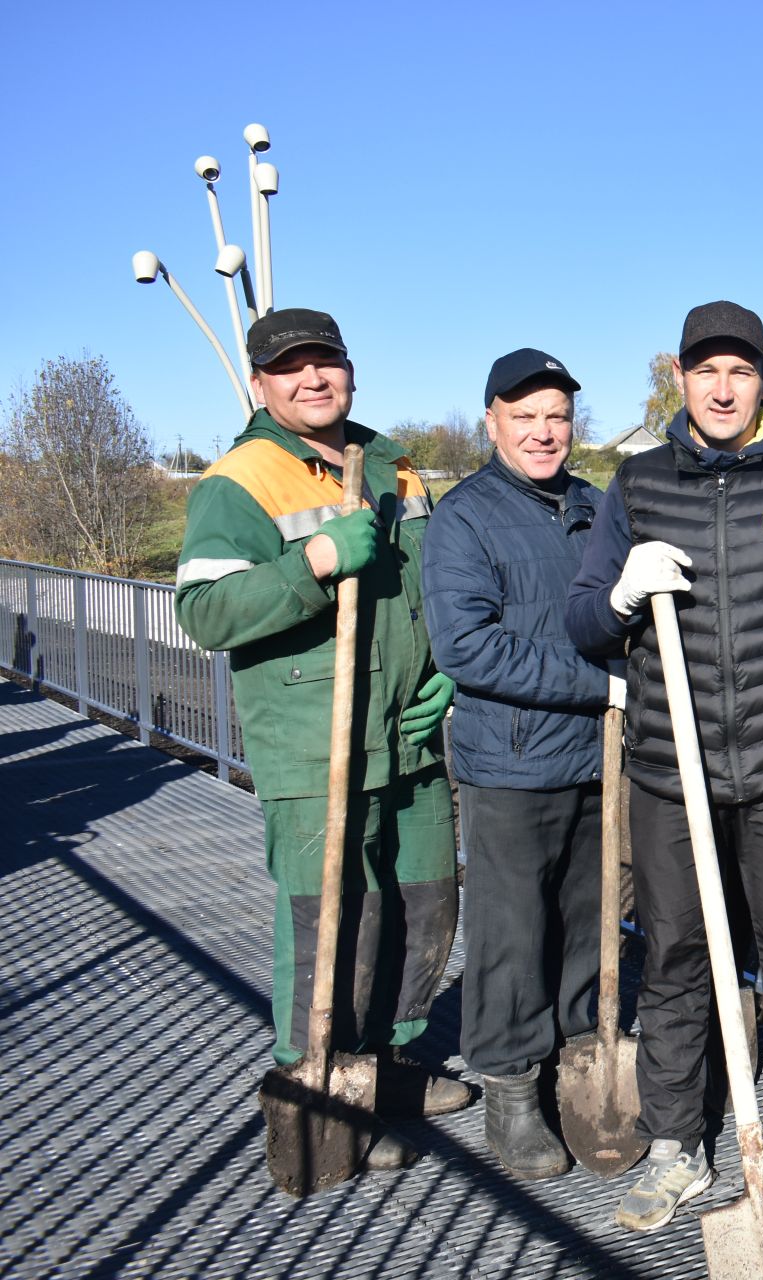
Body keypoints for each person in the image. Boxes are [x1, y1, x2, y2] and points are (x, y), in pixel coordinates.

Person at [566, 301, 763, 1233]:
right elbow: (584, 619)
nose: (721, 387)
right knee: (671, 963)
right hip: (673, 774)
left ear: (762, 379)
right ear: (679, 376)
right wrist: (622, 595)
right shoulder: (634, 486)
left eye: (739, 372)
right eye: (705, 371)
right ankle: (673, 1149)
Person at [175, 308, 472, 1171]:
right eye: (290, 368)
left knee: (424, 902)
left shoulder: (396, 469)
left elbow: (440, 584)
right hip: (317, 739)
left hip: (409, 733)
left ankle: (387, 1064)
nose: (313, 381)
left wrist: (448, 664)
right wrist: (311, 563)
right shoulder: (240, 482)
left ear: (350, 372)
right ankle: (318, 1077)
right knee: (333, 921)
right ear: (261, 383)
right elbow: (207, 612)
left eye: (326, 364)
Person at [421, 348, 610, 1180]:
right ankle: (508, 1087)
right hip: (511, 761)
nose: (543, 433)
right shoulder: (464, 518)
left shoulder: (596, 509)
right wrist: (600, 684)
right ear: (491, 421)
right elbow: (469, 647)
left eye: (557, 417)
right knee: (511, 931)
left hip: (600, 757)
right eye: (525, 417)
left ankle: (578, 1066)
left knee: (588, 921)